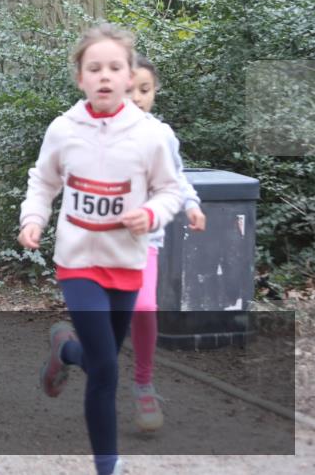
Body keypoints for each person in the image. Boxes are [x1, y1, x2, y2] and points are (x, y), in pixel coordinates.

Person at [18, 23, 183, 475]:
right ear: (80, 78)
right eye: (95, 68)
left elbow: (171, 190)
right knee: (108, 369)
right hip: (78, 262)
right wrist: (33, 218)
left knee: (98, 356)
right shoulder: (64, 129)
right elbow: (43, 181)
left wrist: (150, 215)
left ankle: (64, 351)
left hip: (127, 262)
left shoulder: (149, 135)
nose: (105, 75)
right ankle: (107, 466)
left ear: (130, 77)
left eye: (115, 67)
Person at [128, 54, 206, 432]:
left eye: (145, 90)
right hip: (101, 244)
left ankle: (144, 384)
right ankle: (69, 349)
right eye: (129, 90)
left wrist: (191, 205)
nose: (137, 97)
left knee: (145, 307)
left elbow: (177, 179)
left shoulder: (162, 135)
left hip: (146, 241)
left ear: (155, 92)